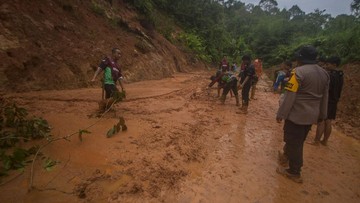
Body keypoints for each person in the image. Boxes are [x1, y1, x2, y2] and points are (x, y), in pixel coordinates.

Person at [276, 45, 329, 183]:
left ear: (300, 59)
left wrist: (281, 113)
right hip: (312, 115)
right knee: (298, 140)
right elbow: (325, 97)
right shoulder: (324, 74)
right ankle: (286, 157)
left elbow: (289, 96)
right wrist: (322, 115)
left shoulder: (297, 72)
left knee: (295, 142)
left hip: (297, 115)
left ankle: (294, 171)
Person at [311, 56, 344, 146]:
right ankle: (325, 141)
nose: (326, 66)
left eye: (328, 64)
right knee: (329, 121)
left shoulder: (330, 76)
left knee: (321, 120)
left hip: (328, 100)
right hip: (334, 100)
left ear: (334, 64)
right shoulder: (340, 75)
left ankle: (316, 141)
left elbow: (326, 89)